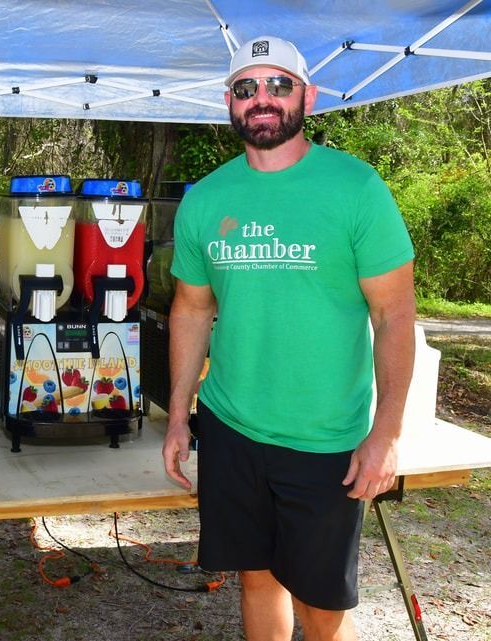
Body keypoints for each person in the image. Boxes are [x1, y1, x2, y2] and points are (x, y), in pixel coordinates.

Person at [162, 36, 416, 641]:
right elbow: (192, 310)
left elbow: (394, 316)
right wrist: (178, 415)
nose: (263, 99)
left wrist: (387, 433)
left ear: (309, 95)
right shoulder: (208, 198)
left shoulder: (356, 188)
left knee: (323, 608)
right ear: (230, 102)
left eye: (280, 84)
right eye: (247, 88)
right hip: (230, 426)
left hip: (325, 435)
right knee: (256, 577)